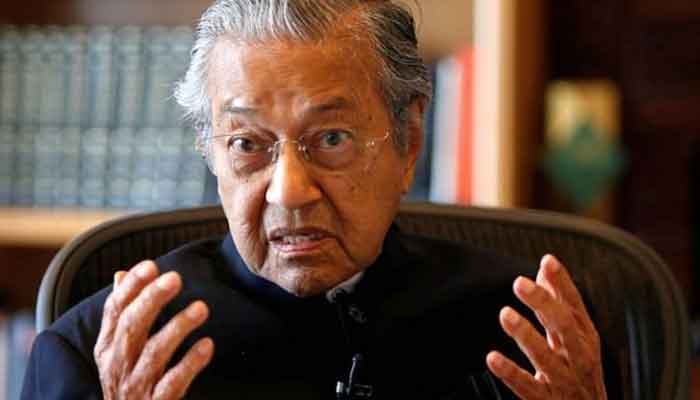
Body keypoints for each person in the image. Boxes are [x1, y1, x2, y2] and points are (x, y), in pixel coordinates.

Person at [22, 1, 612, 399]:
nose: (289, 191)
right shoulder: (98, 353)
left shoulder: (531, 335)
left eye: (331, 139)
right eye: (248, 144)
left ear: (409, 141)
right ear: (210, 152)